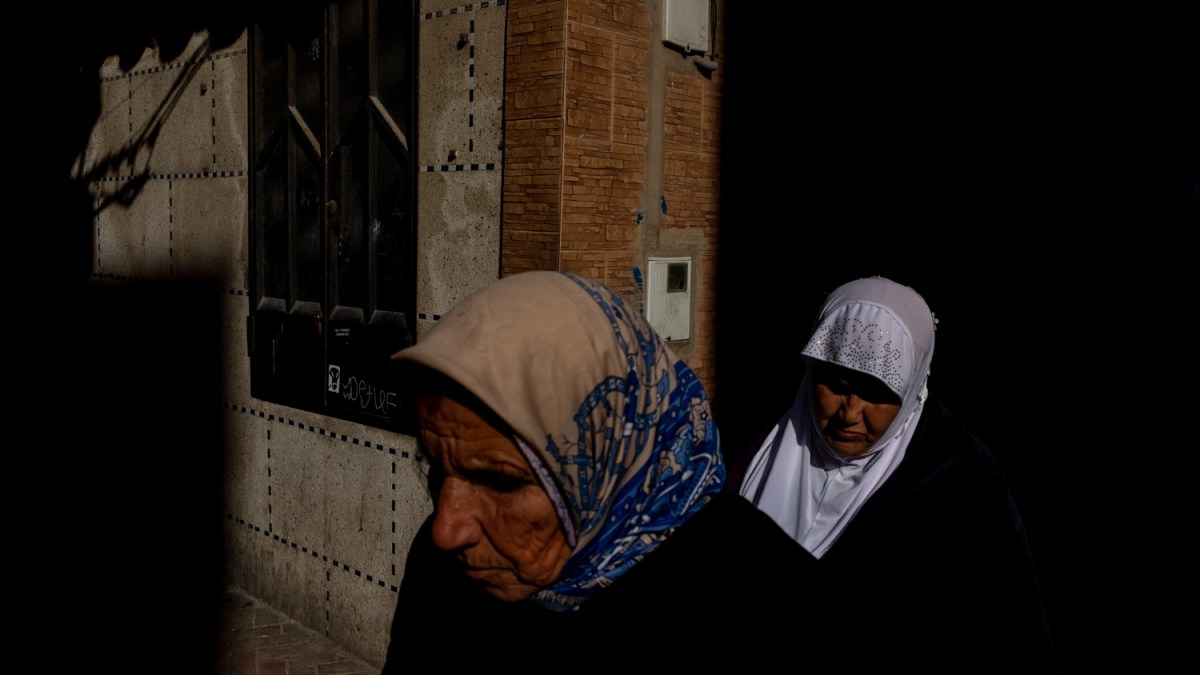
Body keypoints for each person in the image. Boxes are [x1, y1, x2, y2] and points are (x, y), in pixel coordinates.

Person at [379, 271, 811, 670]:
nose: (447, 529)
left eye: (500, 481)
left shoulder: (768, 602)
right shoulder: (445, 570)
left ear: (607, 452)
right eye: (435, 466)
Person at [730, 276, 1057, 672]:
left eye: (876, 393)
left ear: (912, 387)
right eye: (836, 385)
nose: (850, 413)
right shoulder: (753, 446)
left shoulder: (961, 481)